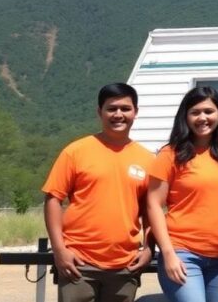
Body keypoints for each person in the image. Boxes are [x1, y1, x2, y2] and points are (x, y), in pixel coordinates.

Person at [42, 82, 155, 302]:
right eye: (111, 108)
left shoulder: (148, 160)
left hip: (125, 266)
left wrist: (150, 248)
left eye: (125, 108)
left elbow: (151, 210)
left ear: (136, 112)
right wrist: (59, 250)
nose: (118, 114)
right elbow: (53, 199)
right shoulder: (76, 151)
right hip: (78, 264)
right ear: (99, 112)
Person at [147, 87, 218, 302]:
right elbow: (154, 205)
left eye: (209, 111)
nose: (203, 118)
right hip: (183, 253)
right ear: (185, 117)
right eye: (195, 112)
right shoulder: (170, 155)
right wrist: (167, 253)